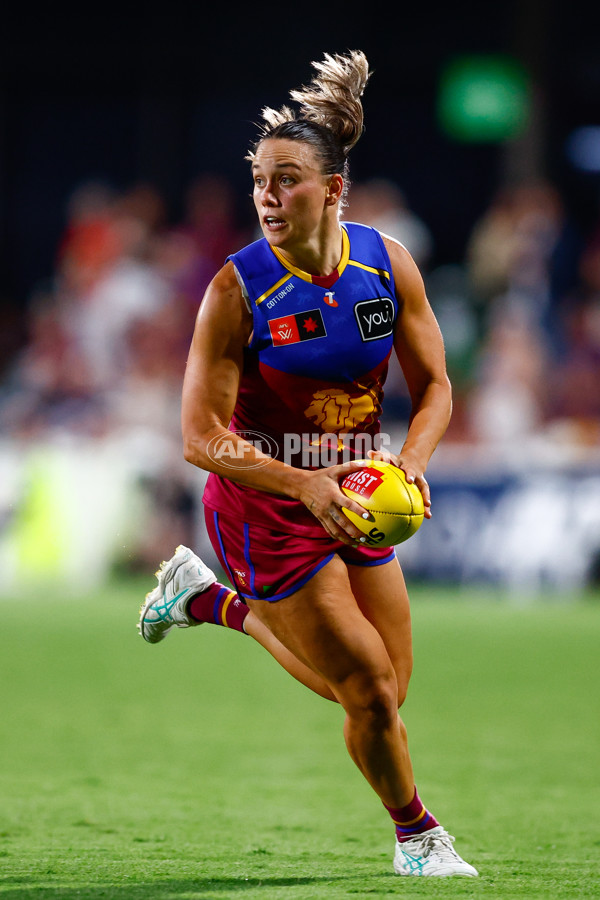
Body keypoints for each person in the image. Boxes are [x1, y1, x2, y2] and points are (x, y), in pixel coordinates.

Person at [138, 50, 478, 879]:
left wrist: (416, 461)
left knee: (387, 693)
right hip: (266, 503)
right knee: (364, 684)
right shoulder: (236, 290)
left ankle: (207, 601)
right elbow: (199, 437)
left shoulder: (385, 264)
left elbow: (435, 387)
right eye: (259, 179)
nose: (265, 194)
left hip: (360, 490)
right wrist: (301, 483)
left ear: (332, 190)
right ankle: (419, 836)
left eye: (285, 179)